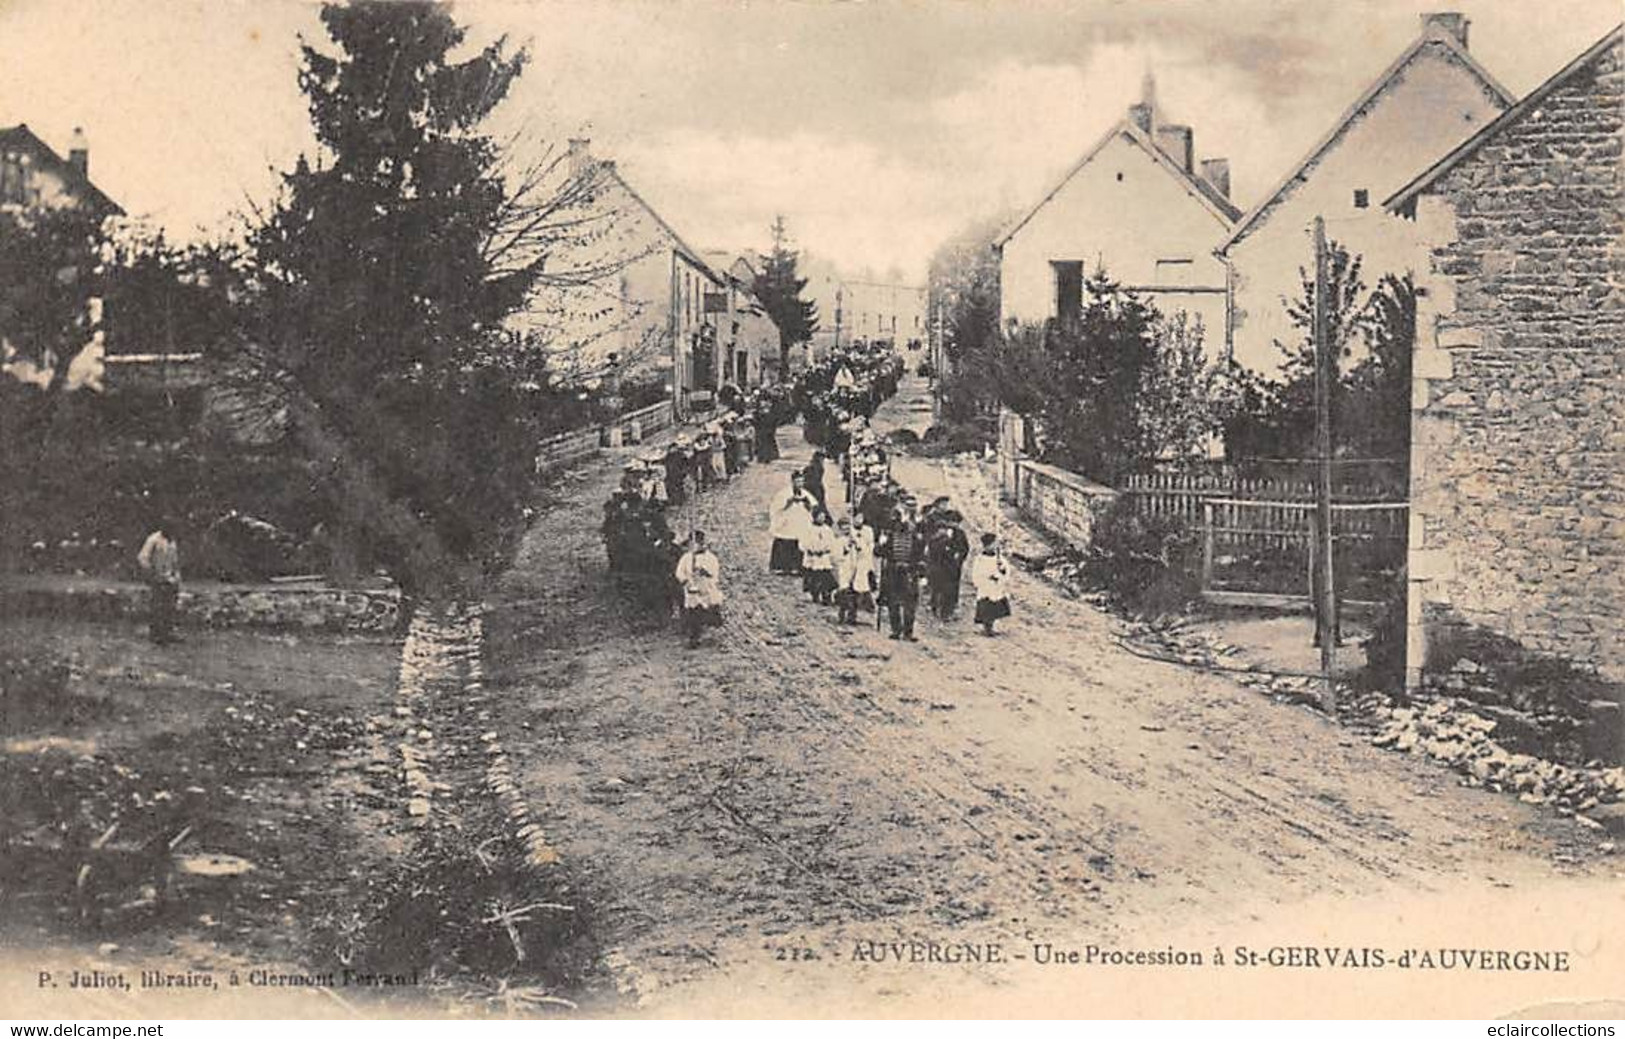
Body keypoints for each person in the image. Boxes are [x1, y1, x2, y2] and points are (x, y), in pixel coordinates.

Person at [878, 498, 924, 641]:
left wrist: (920, 572)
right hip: (893, 572)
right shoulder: (890, 537)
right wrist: (881, 543)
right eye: (901, 524)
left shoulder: (917, 539)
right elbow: (879, 552)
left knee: (910, 603)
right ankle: (896, 630)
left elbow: (920, 556)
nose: (905, 526)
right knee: (893, 602)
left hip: (909, 572)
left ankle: (908, 632)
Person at [675, 530, 725, 648]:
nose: (694, 546)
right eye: (692, 544)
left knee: (711, 611)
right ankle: (694, 637)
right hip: (692, 590)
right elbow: (679, 572)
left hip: (707, 589)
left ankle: (713, 635)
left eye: (697, 543)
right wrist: (686, 581)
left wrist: (705, 572)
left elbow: (714, 573)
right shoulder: (686, 558)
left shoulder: (711, 558)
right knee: (694, 614)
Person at [137, 521, 182, 645]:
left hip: (170, 578)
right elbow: (142, 557)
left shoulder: (172, 541)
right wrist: (151, 573)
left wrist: (176, 576)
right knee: (158, 606)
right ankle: (156, 634)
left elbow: (175, 561)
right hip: (157, 578)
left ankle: (168, 632)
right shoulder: (153, 540)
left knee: (170, 606)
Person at [925, 510, 971, 621]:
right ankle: (935, 606)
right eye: (952, 521)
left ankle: (949, 610)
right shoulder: (938, 535)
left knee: (952, 588)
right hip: (939, 566)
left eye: (956, 522)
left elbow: (965, 548)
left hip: (954, 566)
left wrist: (959, 558)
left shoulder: (960, 533)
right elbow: (932, 550)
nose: (954, 524)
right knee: (938, 587)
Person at [769, 473, 816, 575]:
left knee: (798, 543)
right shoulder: (784, 493)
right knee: (784, 542)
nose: (800, 484)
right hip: (787, 522)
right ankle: (781, 566)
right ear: (792, 482)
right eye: (798, 482)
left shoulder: (805, 493)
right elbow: (777, 507)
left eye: (801, 482)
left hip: (799, 522)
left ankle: (796, 566)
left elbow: (812, 506)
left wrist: (806, 504)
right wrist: (788, 503)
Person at [834, 516, 875, 626]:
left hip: (856, 568)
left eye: (848, 528)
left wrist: (857, 545)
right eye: (844, 528)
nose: (846, 530)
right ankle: (842, 614)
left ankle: (852, 616)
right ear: (840, 529)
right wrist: (846, 548)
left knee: (855, 593)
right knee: (845, 592)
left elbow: (864, 553)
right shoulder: (839, 541)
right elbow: (837, 556)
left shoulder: (856, 539)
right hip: (845, 568)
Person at [971, 532, 1012, 636]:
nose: (995, 546)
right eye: (994, 544)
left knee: (995, 606)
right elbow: (977, 573)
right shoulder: (980, 559)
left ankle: (991, 626)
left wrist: (1002, 572)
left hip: (996, 586)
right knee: (986, 605)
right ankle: (986, 627)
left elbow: (1005, 569)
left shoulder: (999, 558)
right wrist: (987, 577)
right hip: (986, 585)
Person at [801, 508, 838, 606]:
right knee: (814, 578)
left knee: (826, 578)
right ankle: (815, 594)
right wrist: (811, 549)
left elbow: (832, 542)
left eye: (823, 517)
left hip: (823, 558)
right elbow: (803, 542)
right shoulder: (809, 529)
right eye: (819, 516)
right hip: (813, 558)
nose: (822, 519)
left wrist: (826, 550)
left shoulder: (827, 530)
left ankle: (826, 596)